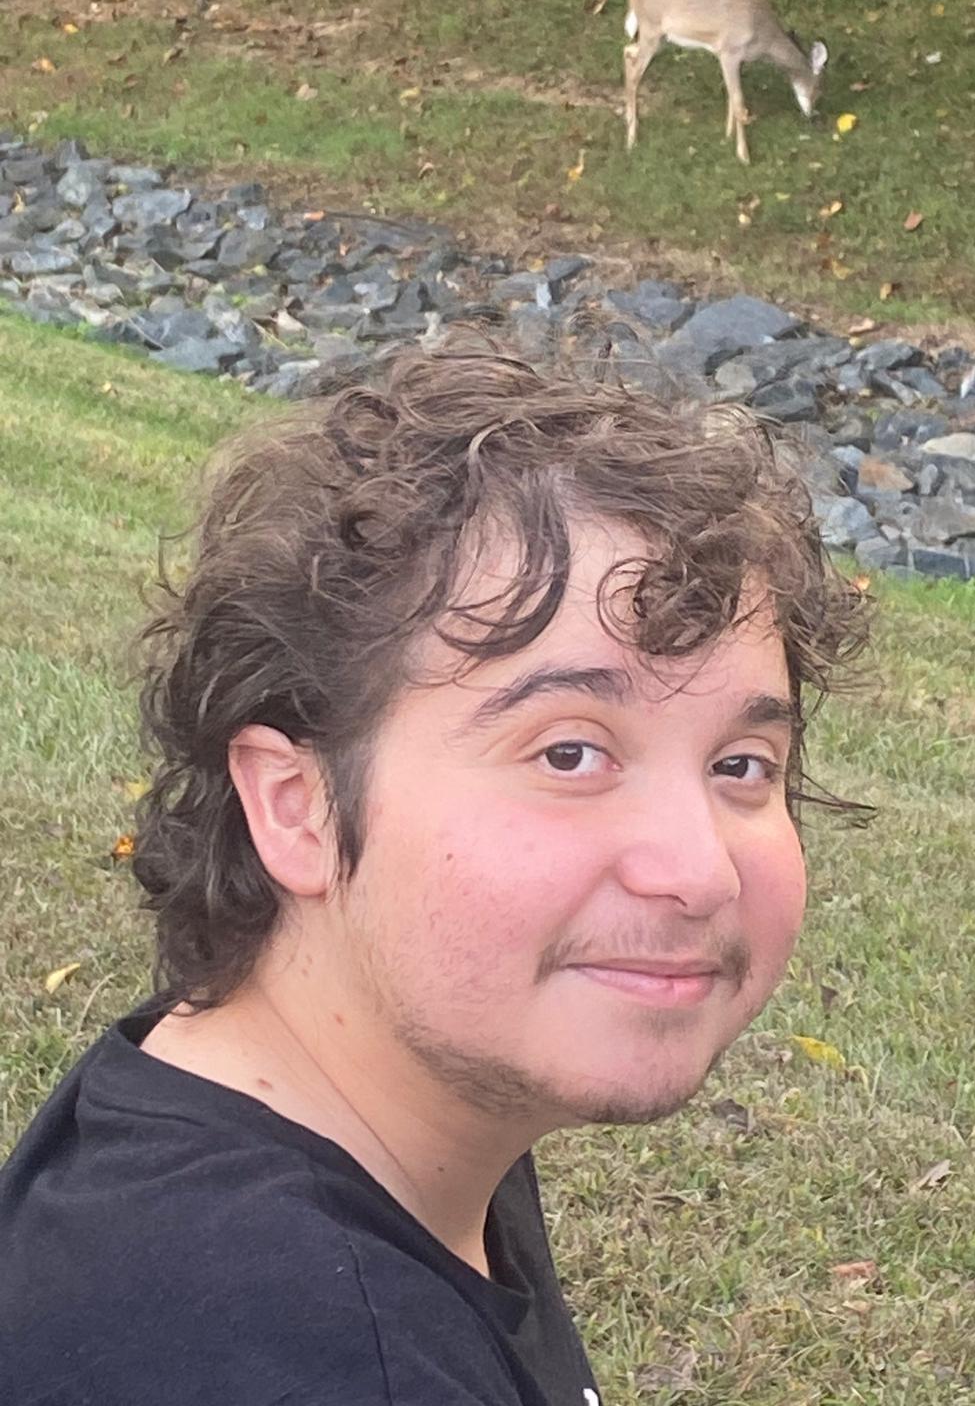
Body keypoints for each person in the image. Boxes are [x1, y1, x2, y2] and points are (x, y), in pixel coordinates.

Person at [0, 349, 866, 1405]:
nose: (697, 871)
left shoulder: (376, 1116)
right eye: (569, 754)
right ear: (298, 804)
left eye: (742, 766)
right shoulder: (295, 1354)